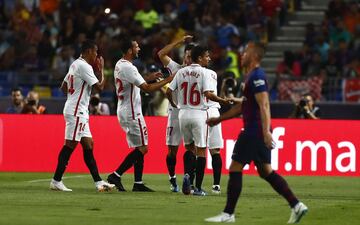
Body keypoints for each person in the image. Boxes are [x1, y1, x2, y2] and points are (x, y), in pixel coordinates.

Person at [205, 43, 308, 223]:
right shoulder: (251, 76)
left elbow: (265, 104)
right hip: (257, 130)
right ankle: (296, 205)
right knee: (266, 171)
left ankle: (228, 214)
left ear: (253, 56)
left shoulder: (257, 76)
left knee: (235, 167)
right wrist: (218, 119)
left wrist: (266, 132)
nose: (242, 55)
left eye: (245, 52)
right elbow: (242, 107)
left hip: (254, 130)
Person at [107, 38, 174, 192]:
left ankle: (138, 183)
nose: (139, 49)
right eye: (136, 46)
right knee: (143, 148)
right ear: (130, 50)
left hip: (124, 109)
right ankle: (116, 175)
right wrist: (168, 80)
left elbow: (135, 81)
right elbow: (147, 89)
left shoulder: (120, 64)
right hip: (132, 112)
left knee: (139, 146)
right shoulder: (129, 68)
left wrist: (149, 77)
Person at [50, 40, 115, 192]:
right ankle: (56, 180)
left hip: (77, 109)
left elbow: (64, 86)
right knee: (70, 145)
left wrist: (75, 96)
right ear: (87, 52)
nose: (97, 56)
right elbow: (99, 87)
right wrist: (101, 69)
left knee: (88, 145)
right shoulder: (85, 66)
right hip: (77, 111)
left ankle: (98, 182)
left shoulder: (75, 64)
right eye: (95, 52)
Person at [166, 45, 230, 196]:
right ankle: (198, 188)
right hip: (199, 114)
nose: (208, 58)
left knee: (189, 149)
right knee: (201, 151)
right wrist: (223, 100)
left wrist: (175, 104)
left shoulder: (181, 72)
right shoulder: (205, 73)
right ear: (199, 58)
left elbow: (169, 91)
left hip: (183, 114)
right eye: (206, 56)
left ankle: (188, 175)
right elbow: (208, 94)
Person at [157, 34, 193, 192]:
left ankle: (187, 179)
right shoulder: (175, 68)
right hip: (175, 115)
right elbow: (161, 54)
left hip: (190, 114)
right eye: (187, 55)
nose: (188, 59)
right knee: (172, 151)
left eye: (191, 57)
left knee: (191, 148)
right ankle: (172, 179)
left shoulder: (199, 72)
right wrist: (179, 41)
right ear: (184, 56)